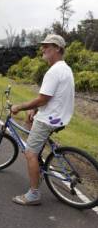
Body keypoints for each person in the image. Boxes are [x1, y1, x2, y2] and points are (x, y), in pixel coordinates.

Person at [10, 34, 75, 205]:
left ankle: (33, 194)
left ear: (58, 49)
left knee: (29, 153)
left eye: (47, 46)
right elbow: (52, 98)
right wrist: (33, 109)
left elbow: (43, 99)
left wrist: (19, 106)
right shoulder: (65, 68)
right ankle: (38, 166)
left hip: (49, 119)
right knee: (30, 123)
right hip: (59, 117)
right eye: (43, 46)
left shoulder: (53, 71)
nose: (43, 49)